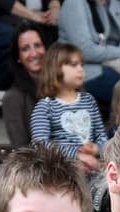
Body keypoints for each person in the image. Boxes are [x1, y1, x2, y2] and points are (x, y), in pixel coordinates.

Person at [30, 42, 106, 175]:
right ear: (55, 69)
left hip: (94, 172)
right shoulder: (45, 107)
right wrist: (77, 155)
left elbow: (101, 136)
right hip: (62, 173)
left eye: (82, 65)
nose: (81, 69)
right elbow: (40, 145)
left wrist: (96, 148)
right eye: (73, 65)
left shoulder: (89, 100)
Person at [4, 23, 46, 147]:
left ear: (46, 49)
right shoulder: (13, 98)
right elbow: (21, 150)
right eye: (25, 49)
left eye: (38, 45)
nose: (34, 53)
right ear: (18, 57)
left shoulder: (64, 86)